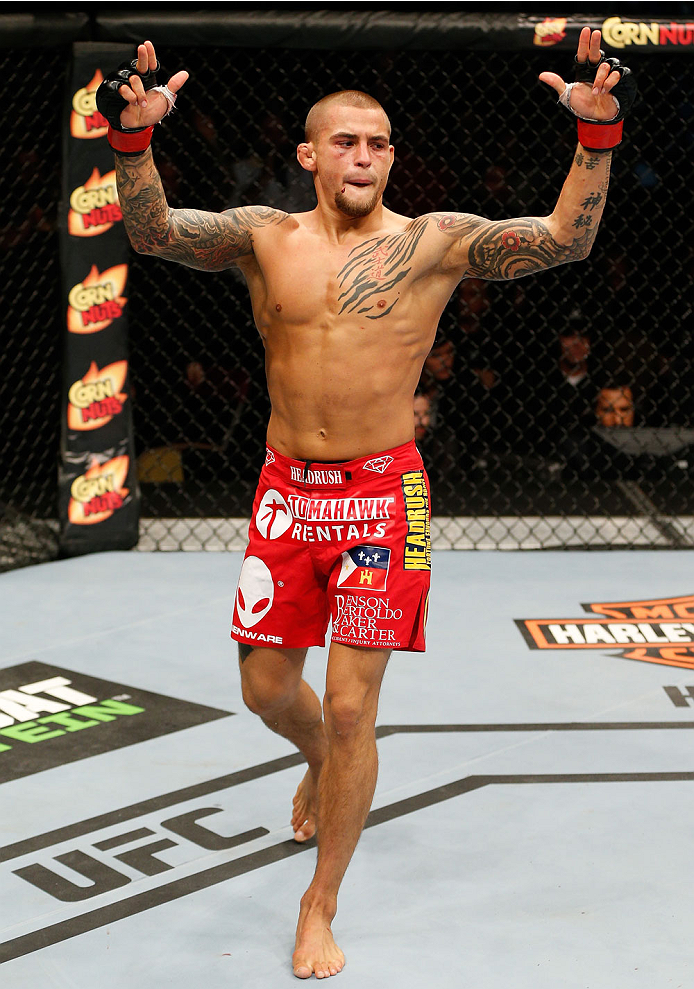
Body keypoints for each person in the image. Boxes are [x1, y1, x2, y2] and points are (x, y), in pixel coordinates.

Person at [98, 28, 634, 979]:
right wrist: (133, 143)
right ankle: (315, 757)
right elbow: (152, 233)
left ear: (393, 155)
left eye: (378, 142)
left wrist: (596, 138)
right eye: (345, 141)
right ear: (309, 154)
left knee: (353, 709)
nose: (363, 156)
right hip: (285, 494)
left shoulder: (434, 244)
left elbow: (565, 241)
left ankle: (320, 900)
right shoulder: (266, 237)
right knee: (268, 690)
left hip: (386, 495)